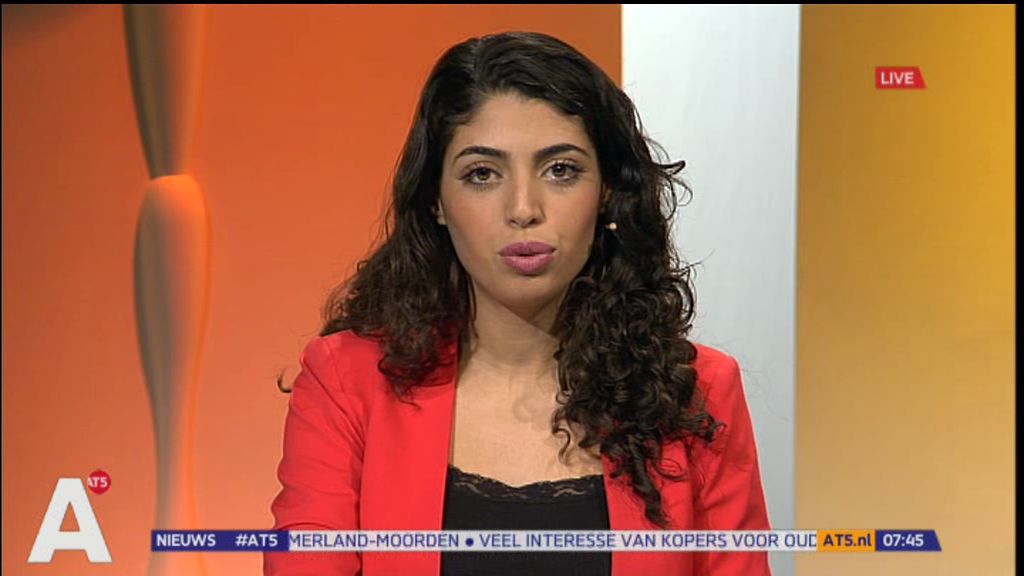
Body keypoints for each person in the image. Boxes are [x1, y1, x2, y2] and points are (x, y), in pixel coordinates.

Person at [264, 31, 771, 576]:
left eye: (561, 170)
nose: (524, 208)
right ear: (436, 200)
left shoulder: (696, 391)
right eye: (483, 174)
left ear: (606, 192)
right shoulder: (347, 381)